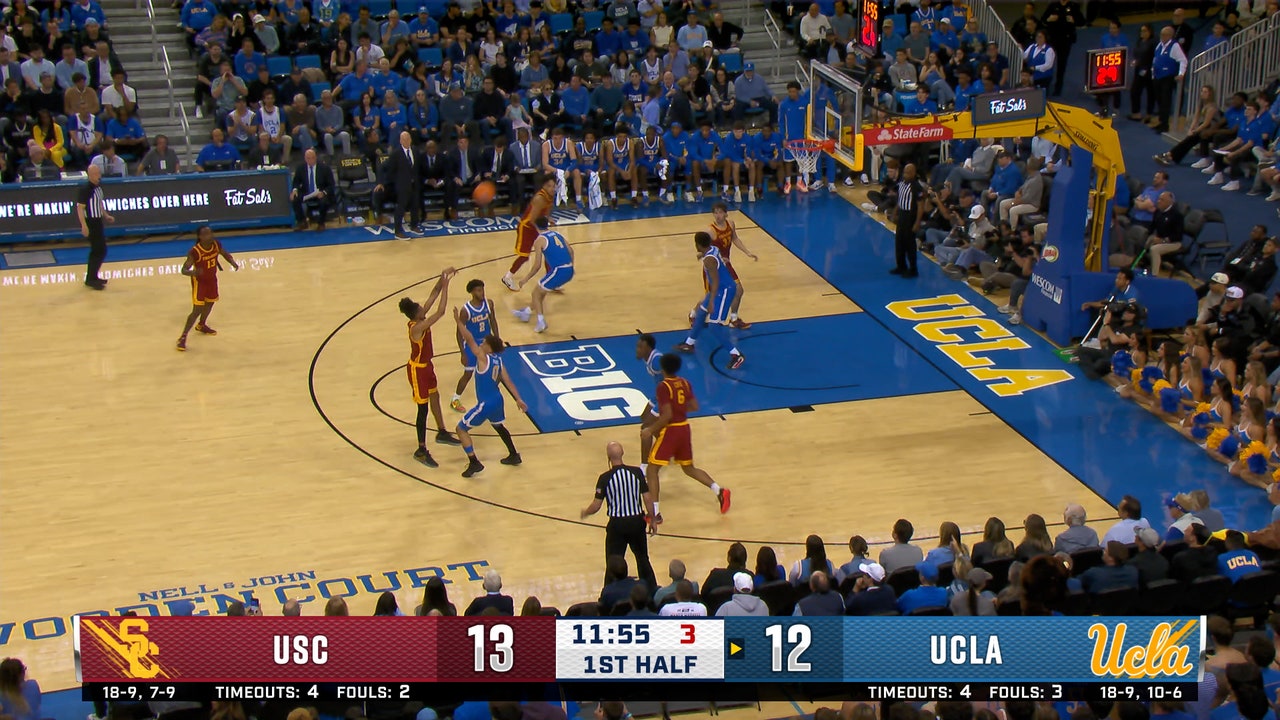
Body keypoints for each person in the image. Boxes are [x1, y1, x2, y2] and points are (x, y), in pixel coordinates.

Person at [640, 352, 731, 526]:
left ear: (663, 369)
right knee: (689, 468)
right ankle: (719, 491)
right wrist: (679, 408)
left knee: (652, 470)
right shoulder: (685, 382)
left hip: (671, 431)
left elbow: (666, 415)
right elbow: (694, 406)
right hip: (684, 428)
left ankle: (655, 514)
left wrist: (650, 429)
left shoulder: (663, 386)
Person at [452, 306, 527, 478]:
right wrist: (518, 399)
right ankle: (514, 455)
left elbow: (469, 338)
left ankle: (474, 462)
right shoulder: (498, 361)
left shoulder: (482, 357)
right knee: (498, 425)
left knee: (460, 429)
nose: (481, 344)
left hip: (485, 403)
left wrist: (458, 321)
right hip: (497, 399)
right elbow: (508, 382)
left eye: (484, 343)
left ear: (490, 348)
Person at [399, 270, 462, 467]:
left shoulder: (420, 318)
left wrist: (443, 278)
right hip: (417, 370)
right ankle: (421, 450)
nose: (423, 307)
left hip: (427, 366)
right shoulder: (417, 327)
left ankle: (441, 432)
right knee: (422, 409)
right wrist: (447, 287)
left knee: (435, 396)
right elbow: (441, 311)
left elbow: (433, 294)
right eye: (420, 308)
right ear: (416, 313)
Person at [581, 441, 658, 589]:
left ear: (608, 457)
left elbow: (596, 505)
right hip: (637, 522)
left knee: (613, 562)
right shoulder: (637, 473)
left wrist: (586, 512)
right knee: (642, 559)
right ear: (623, 453)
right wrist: (652, 519)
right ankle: (652, 590)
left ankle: (608, 593)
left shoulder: (605, 478)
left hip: (617, 525)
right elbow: (647, 498)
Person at [674, 232, 746, 370]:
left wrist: (711, 302)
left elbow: (716, 282)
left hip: (724, 290)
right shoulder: (713, 248)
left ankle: (736, 355)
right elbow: (715, 254)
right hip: (719, 289)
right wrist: (702, 255)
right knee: (701, 313)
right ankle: (689, 344)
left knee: (714, 326)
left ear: (698, 245)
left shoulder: (709, 261)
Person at [176, 226, 240, 352]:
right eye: (205, 234)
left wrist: (232, 262)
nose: (209, 236)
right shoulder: (195, 251)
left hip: (211, 280)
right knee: (197, 310)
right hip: (200, 282)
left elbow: (224, 253)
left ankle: (201, 325)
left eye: (210, 233)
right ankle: (183, 337)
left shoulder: (216, 244)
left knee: (210, 303)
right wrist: (193, 272)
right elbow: (184, 270)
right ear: (200, 237)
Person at [513, 218, 574, 334]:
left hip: (559, 271)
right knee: (541, 292)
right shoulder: (556, 234)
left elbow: (537, 265)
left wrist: (525, 279)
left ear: (536, 226)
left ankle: (541, 322)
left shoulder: (539, 240)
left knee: (535, 294)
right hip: (569, 269)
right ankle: (526, 312)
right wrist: (571, 266)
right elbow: (571, 251)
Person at [503, 174, 557, 292]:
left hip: (536, 227)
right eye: (549, 186)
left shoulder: (550, 196)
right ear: (543, 186)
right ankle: (507, 277)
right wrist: (541, 232)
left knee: (547, 251)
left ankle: (550, 280)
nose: (552, 188)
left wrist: (549, 218)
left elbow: (545, 213)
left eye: (554, 186)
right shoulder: (539, 198)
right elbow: (532, 219)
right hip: (527, 228)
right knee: (524, 256)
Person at [708, 201, 757, 329]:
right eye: (715, 213)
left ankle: (734, 319)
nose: (717, 215)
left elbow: (734, 238)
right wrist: (719, 257)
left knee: (738, 290)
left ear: (726, 214)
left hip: (726, 265)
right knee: (712, 296)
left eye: (720, 212)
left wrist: (747, 252)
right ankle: (694, 314)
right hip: (714, 267)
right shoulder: (711, 230)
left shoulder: (730, 224)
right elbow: (705, 250)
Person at [375, 130, 423, 240]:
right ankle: (398, 231)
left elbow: (417, 167)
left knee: (415, 205)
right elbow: (383, 167)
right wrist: (381, 182)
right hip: (402, 185)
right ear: (400, 141)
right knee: (401, 208)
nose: (406, 141)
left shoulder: (415, 150)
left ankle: (414, 226)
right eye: (404, 139)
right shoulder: (396, 153)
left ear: (411, 139)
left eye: (408, 139)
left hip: (414, 184)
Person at [75, 163, 113, 290]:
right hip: (91, 222)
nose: (98, 176)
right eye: (96, 174)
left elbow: (99, 203)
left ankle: (93, 276)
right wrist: (84, 225)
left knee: (100, 250)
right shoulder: (85, 189)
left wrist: (106, 215)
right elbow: (80, 208)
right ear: (90, 175)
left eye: (99, 173)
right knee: (98, 250)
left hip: (98, 221)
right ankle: (91, 279)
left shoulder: (98, 187)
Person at [636, 333, 664, 476]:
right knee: (644, 417)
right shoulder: (648, 358)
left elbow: (671, 376)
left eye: (640, 347)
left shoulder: (657, 360)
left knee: (646, 428)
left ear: (648, 348)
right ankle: (666, 444)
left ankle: (644, 466)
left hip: (665, 397)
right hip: (658, 395)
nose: (637, 349)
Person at [891, 163, 924, 278]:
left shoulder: (917, 187)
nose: (906, 175)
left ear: (913, 173)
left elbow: (920, 206)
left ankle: (913, 269)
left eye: (908, 173)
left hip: (911, 216)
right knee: (899, 242)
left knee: (909, 244)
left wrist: (917, 222)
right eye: (905, 172)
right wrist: (895, 212)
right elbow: (900, 199)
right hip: (902, 214)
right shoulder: (901, 183)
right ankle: (901, 266)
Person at [290, 148, 335, 230]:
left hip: (320, 193)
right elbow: (296, 182)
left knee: (324, 201)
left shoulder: (324, 168)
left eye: (312, 158)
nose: (310, 160)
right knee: (295, 199)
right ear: (305, 158)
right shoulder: (301, 168)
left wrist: (324, 192)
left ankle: (321, 223)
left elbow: (331, 185)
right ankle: (302, 222)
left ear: (316, 157)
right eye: (308, 158)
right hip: (306, 192)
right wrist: (294, 190)